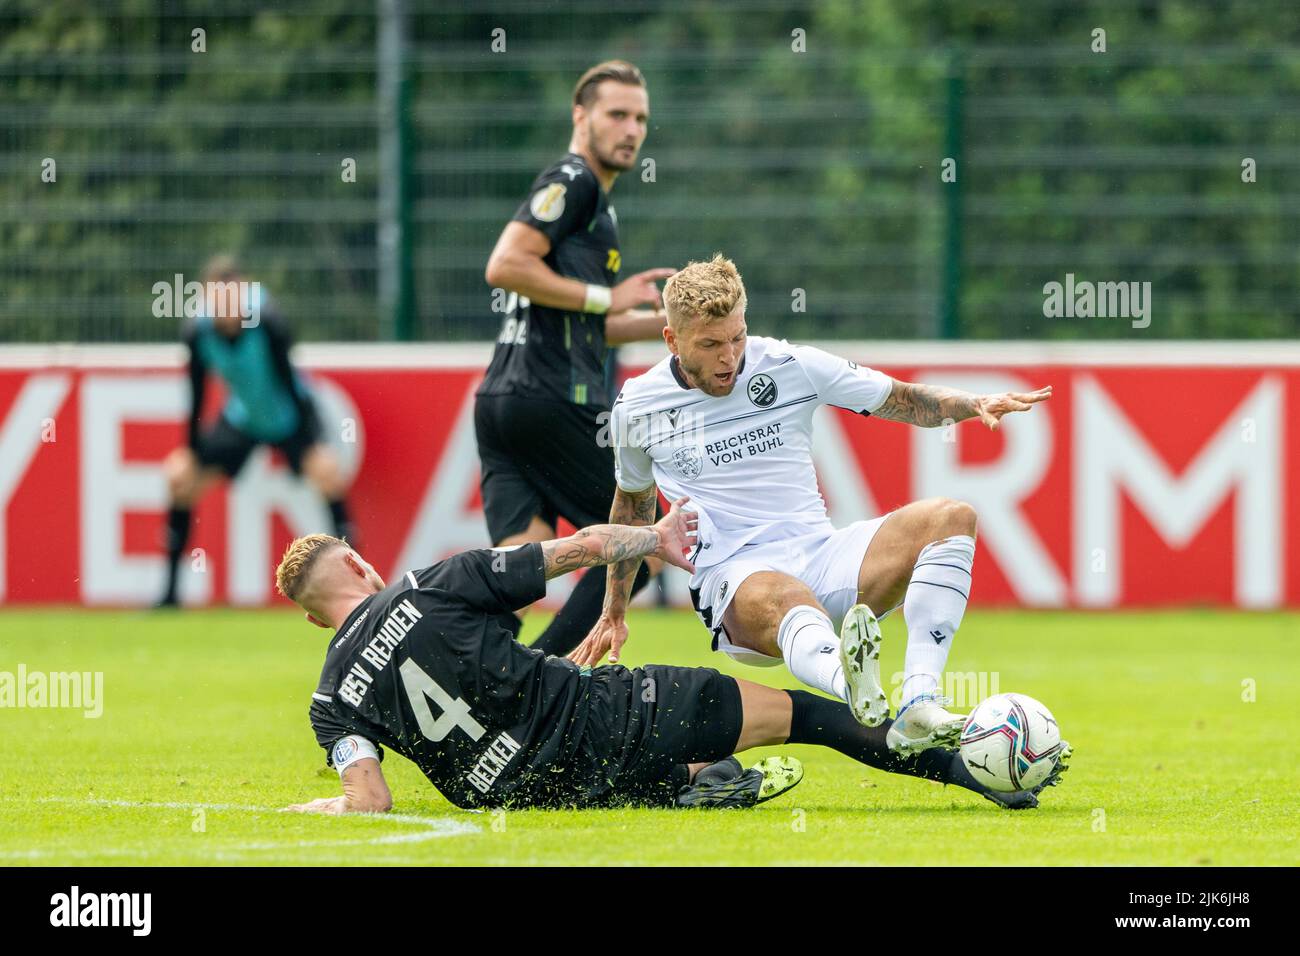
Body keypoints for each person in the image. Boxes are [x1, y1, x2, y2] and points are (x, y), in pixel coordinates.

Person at [276, 500, 1065, 815]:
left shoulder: (329, 699)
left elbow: (369, 800)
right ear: (356, 567)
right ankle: (971, 769)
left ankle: (693, 784)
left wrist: (323, 811)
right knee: (811, 717)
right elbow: (575, 550)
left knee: (618, 783)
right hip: (599, 718)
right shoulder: (427, 584)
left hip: (520, 795)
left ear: (316, 623)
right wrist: (654, 540)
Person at [568, 255, 1053, 755]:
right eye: (710, 344)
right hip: (736, 578)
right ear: (672, 340)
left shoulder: (789, 365)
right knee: (787, 595)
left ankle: (920, 701)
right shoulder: (638, 406)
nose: (729, 357)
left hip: (821, 555)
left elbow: (903, 399)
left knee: (952, 518)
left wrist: (972, 404)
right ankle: (853, 686)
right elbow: (632, 506)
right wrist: (614, 610)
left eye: (737, 337)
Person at [475, 60, 676, 655]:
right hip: (553, 398)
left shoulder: (594, 202)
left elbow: (590, 326)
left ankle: (458, 668)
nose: (631, 129)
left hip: (502, 403)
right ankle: (547, 676)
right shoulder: (575, 180)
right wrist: (604, 295)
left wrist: (669, 324)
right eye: (617, 114)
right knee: (646, 542)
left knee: (518, 569)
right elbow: (505, 264)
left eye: (640, 118)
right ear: (580, 116)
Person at [157, 255, 354, 608]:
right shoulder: (197, 333)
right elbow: (198, 395)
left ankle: (356, 587)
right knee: (179, 479)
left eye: (233, 300)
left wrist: (313, 441)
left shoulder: (270, 322)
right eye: (218, 300)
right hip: (243, 419)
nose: (227, 309)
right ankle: (170, 595)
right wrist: (190, 449)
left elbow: (289, 383)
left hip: (289, 416)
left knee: (326, 474)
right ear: (206, 300)